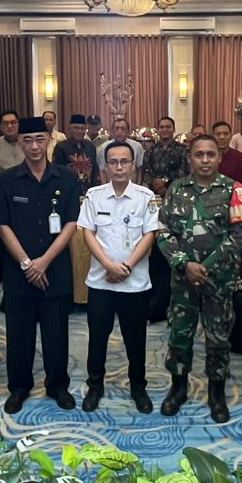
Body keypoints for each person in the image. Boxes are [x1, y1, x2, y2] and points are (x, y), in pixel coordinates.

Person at [157, 135, 242, 421]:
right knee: (179, 336)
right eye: (199, 154)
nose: (205, 160)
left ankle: (216, 393)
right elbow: (163, 231)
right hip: (182, 281)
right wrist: (184, 264)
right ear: (190, 158)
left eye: (210, 154)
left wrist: (206, 267)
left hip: (218, 282)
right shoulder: (176, 189)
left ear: (219, 158)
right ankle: (178, 388)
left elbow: (239, 236)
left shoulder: (234, 189)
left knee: (218, 338)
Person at [0, 117, 81, 413]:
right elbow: (2, 225)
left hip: (54, 268)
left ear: (49, 140)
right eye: (27, 140)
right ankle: (19, 388)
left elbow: (71, 223)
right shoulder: (6, 180)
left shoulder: (67, 178)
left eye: (39, 139)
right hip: (19, 271)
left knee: (56, 334)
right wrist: (27, 264)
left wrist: (43, 262)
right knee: (19, 335)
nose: (34, 146)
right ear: (20, 143)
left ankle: (57, 386)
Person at [77, 139, 159, 413]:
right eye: (113, 162)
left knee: (135, 339)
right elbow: (88, 233)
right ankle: (95, 386)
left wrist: (127, 266)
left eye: (124, 161)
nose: (119, 167)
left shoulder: (145, 197)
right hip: (101, 281)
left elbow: (150, 234)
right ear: (106, 166)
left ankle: (138, 387)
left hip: (134, 282)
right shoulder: (94, 196)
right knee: (97, 337)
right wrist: (108, 265)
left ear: (133, 165)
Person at [142, 116, 190, 200]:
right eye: (162, 127)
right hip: (153, 194)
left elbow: (184, 171)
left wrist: (165, 182)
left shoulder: (183, 150)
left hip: (177, 193)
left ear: (174, 129)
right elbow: (146, 171)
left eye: (168, 127)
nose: (164, 129)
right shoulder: (150, 150)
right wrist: (156, 184)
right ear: (158, 130)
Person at [53, 113, 99, 190]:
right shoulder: (61, 147)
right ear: (69, 128)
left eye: (82, 128)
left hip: (88, 189)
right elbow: (57, 171)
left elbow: (94, 170)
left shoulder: (90, 146)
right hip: (68, 189)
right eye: (76, 128)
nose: (79, 131)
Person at [0, 111, 25, 179]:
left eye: (13, 122)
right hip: (4, 182)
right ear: (1, 126)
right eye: (6, 123)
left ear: (18, 124)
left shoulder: (28, 142)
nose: (9, 126)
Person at [211, 120, 242, 186]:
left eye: (225, 134)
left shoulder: (241, 158)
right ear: (213, 136)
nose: (222, 137)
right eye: (218, 134)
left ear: (231, 136)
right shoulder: (207, 158)